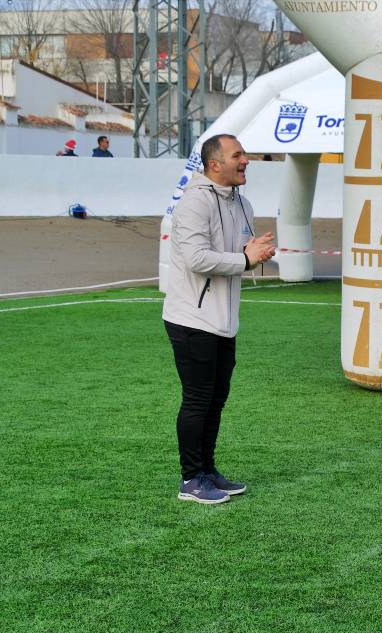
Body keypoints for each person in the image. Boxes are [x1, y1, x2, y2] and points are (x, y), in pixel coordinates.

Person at [162, 133, 276, 504]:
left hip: (224, 320)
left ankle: (208, 471)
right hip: (191, 319)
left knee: (215, 400)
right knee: (198, 400)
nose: (246, 160)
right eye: (237, 155)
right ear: (214, 164)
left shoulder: (242, 203)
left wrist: (254, 255)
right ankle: (190, 479)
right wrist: (244, 258)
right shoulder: (194, 202)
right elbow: (197, 259)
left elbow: (237, 257)